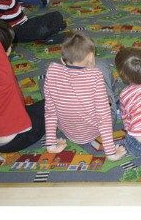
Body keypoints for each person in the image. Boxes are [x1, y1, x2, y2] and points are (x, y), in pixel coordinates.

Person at [44, 32, 126, 161]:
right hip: (94, 130)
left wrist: (51, 144)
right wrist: (111, 153)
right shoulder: (95, 76)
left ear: (62, 60)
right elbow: (103, 117)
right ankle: (116, 101)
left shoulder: (52, 72)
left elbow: (50, 111)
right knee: (102, 65)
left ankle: (51, 144)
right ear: (91, 57)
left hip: (68, 130)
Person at [0, 21, 46, 152]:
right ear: (2, 52)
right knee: (54, 104)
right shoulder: (1, 73)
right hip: (15, 140)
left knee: (30, 109)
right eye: (10, 45)